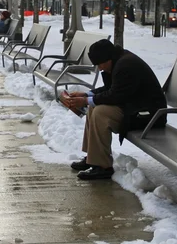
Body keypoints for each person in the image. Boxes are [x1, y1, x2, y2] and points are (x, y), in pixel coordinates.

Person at [64, 39, 167, 180]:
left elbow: (116, 95)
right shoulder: (116, 61)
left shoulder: (126, 65)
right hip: (134, 108)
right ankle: (93, 158)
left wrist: (85, 100)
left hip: (149, 115)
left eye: (100, 64)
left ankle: (103, 167)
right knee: (94, 109)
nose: (99, 68)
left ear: (108, 58)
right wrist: (86, 95)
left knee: (100, 113)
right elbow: (112, 89)